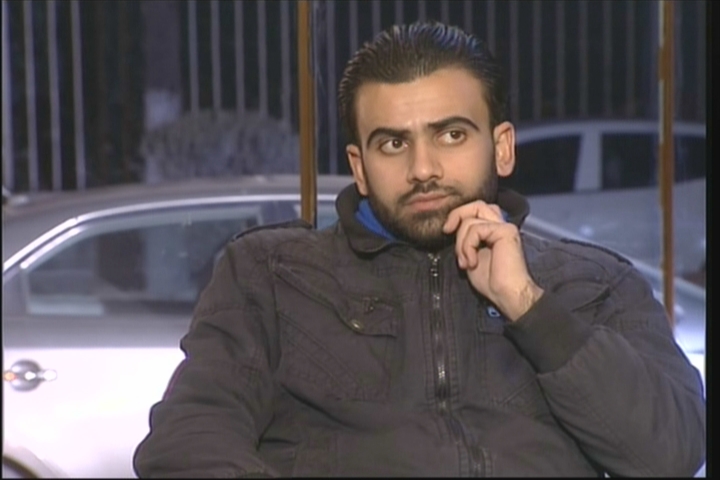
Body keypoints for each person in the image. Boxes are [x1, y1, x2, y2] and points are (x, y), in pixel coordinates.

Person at [133, 21, 706, 477]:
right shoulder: (272, 274)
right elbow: (187, 444)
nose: (423, 168)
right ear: (360, 167)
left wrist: (529, 306)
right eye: (392, 144)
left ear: (502, 148)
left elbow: (671, 454)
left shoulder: (595, 284)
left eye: (451, 135)